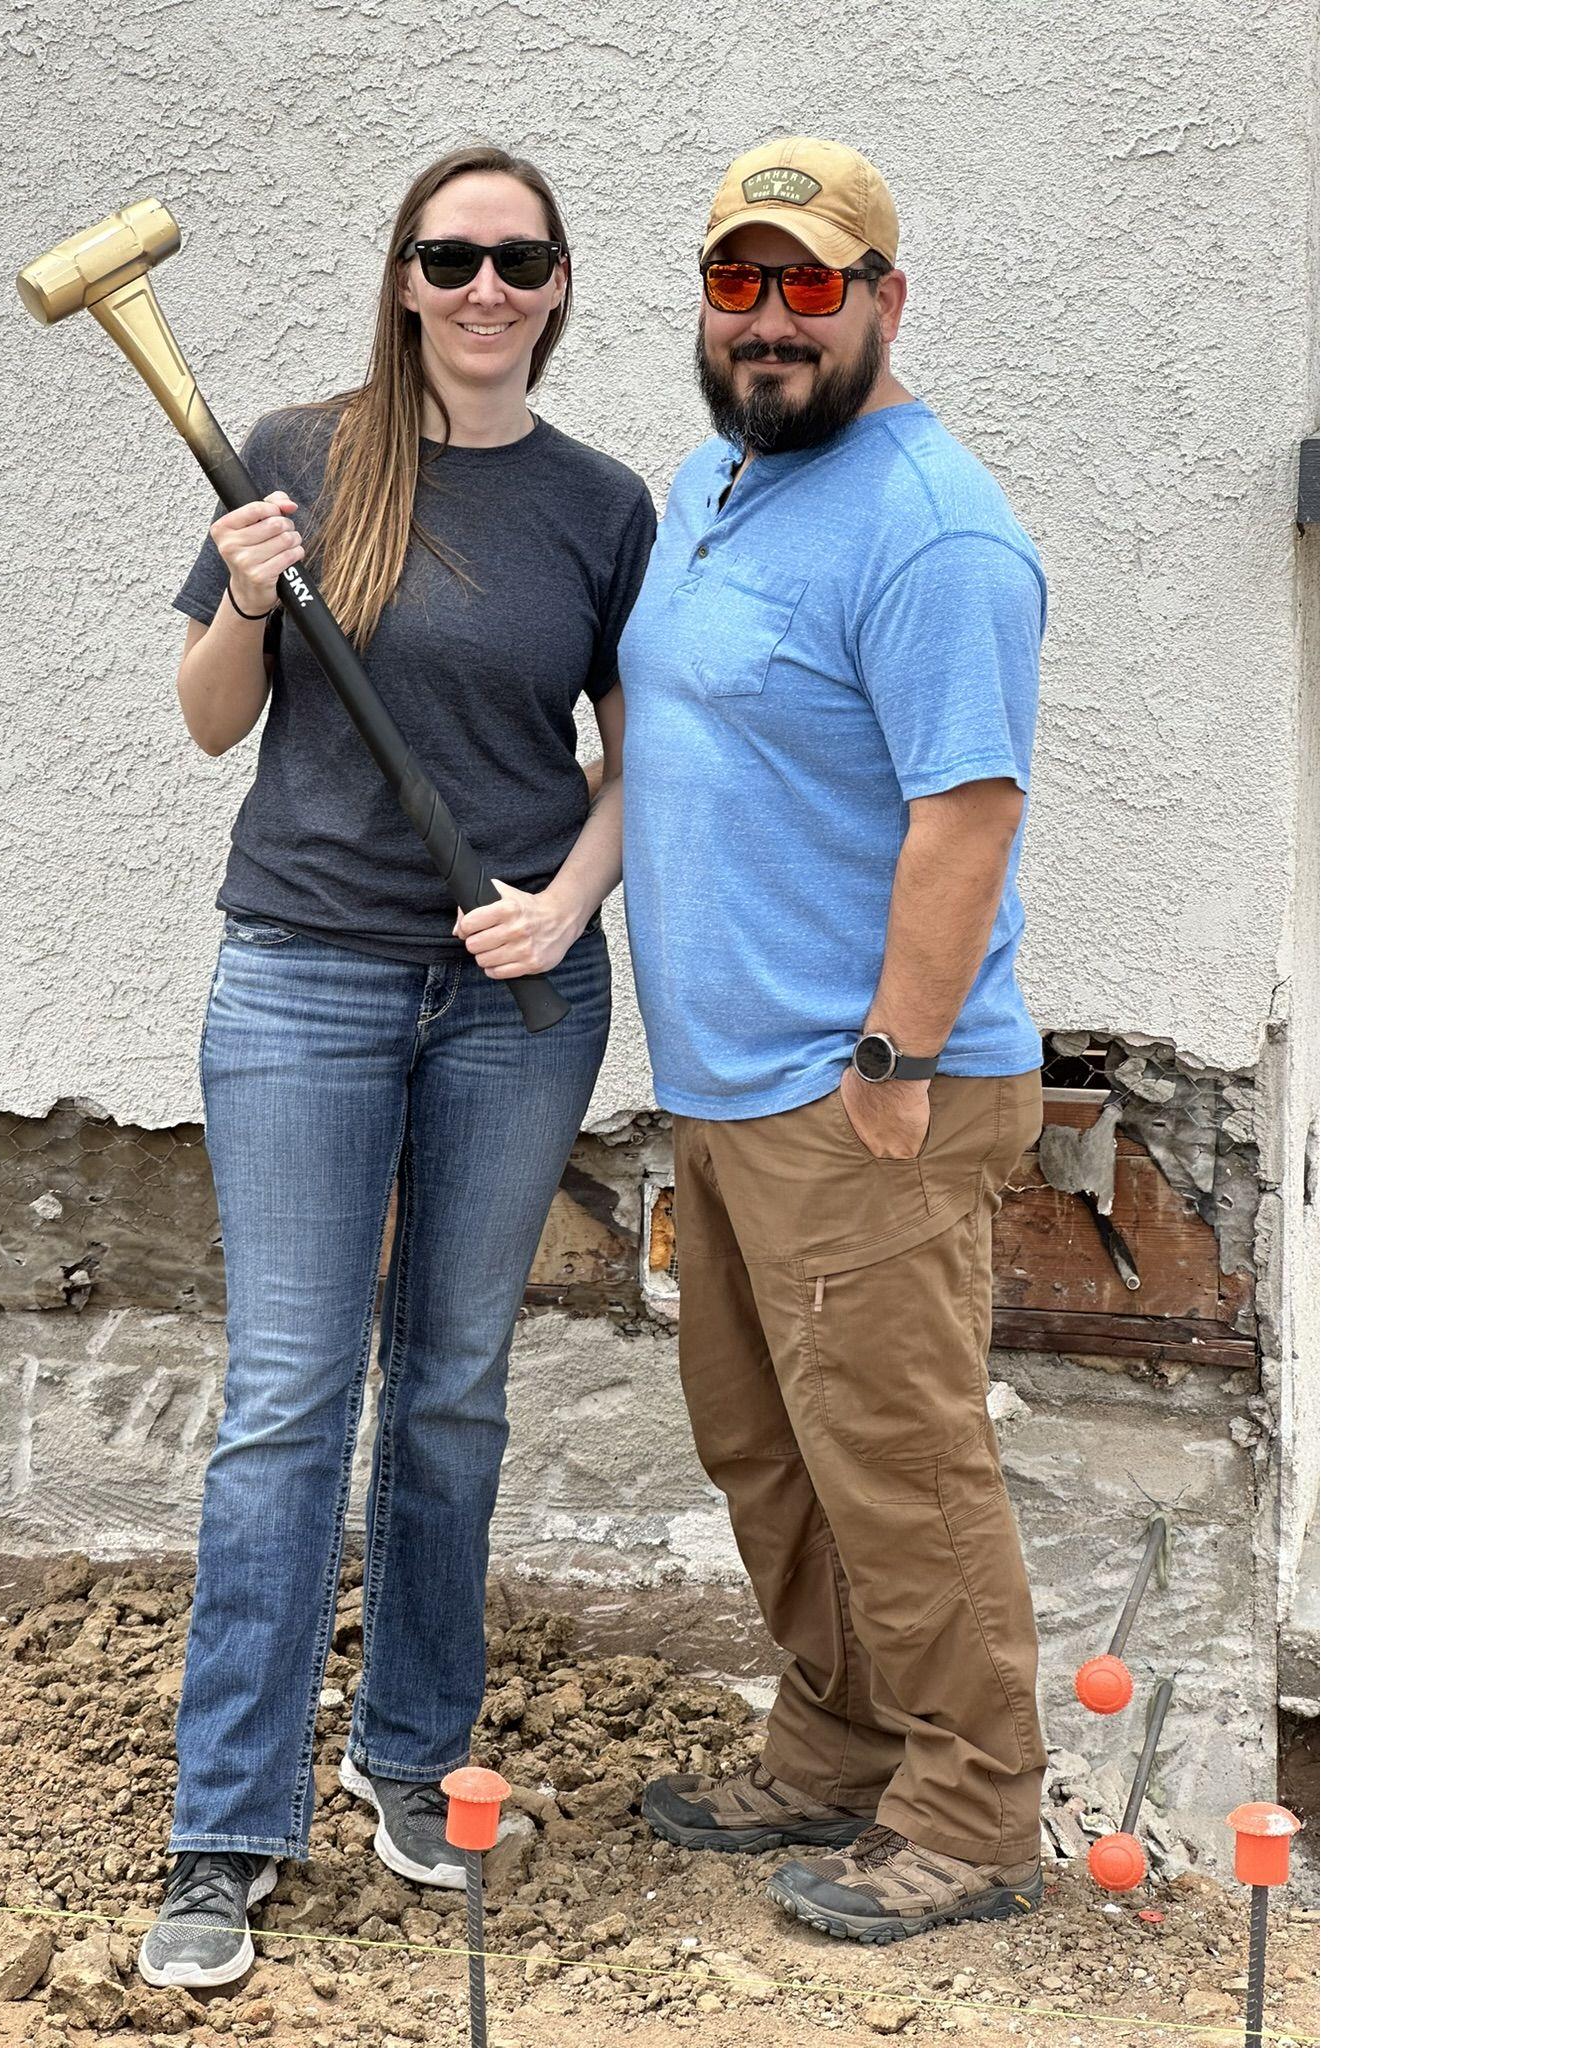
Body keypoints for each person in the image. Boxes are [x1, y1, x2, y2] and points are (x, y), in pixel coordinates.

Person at [136, 144, 656, 1990]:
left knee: (449, 1390)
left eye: (520, 258)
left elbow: (635, 754)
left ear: (560, 280)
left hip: (515, 1000)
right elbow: (209, 725)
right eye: (454, 256)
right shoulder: (293, 452)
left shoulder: (604, 507)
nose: (486, 287)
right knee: (289, 1394)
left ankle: (417, 1757)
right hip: (304, 983)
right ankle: (224, 1826)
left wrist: (567, 901)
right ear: (408, 275)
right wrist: (253, 601)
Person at [618, 137, 1050, 1944]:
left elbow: (968, 815)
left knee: (897, 1455)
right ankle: (836, 1740)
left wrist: (891, 1063)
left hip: (861, 1088)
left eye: (813, 285)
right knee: (766, 1443)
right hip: (730, 1084)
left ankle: (972, 1806)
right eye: (742, 283)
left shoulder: (933, 527)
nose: (774, 321)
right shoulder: (722, 480)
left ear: (886, 298)